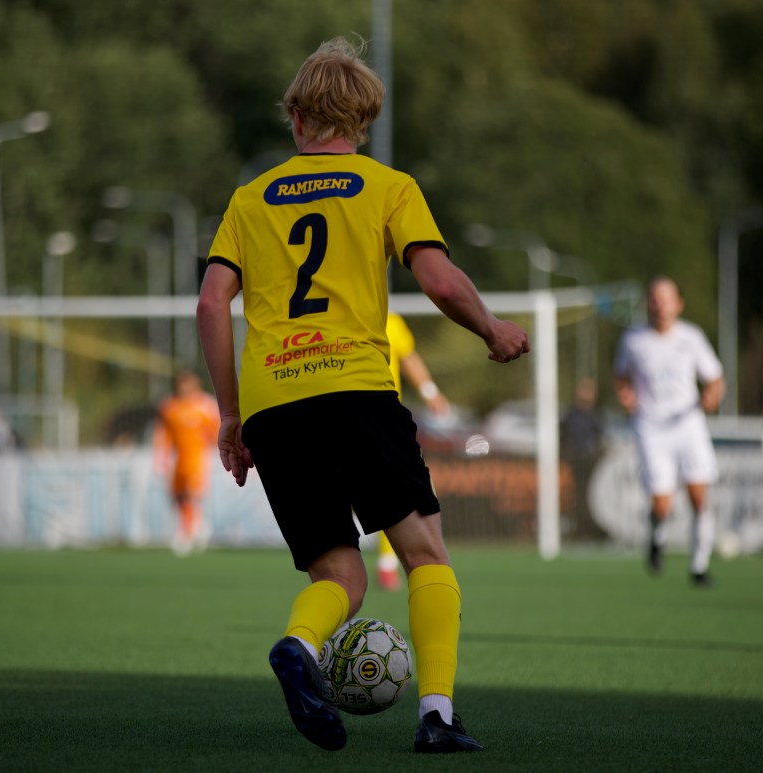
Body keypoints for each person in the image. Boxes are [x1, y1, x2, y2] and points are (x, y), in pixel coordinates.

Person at [196, 36, 530, 754]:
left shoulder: (250, 199)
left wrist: (230, 413)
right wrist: (492, 327)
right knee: (425, 556)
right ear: (364, 122)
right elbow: (439, 281)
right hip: (356, 390)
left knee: (340, 572)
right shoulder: (388, 187)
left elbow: (210, 302)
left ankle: (299, 642)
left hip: (275, 404)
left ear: (296, 120)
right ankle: (437, 716)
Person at [613, 275, 724, 586]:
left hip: (688, 424)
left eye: (666, 299)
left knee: (699, 496)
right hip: (651, 427)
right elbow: (620, 377)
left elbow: (715, 378)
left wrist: (712, 396)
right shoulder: (633, 339)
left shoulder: (692, 337)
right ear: (647, 304)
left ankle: (699, 566)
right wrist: (625, 395)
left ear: (678, 304)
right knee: (662, 503)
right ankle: (657, 536)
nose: (660, 306)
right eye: (655, 299)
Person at [376, 311, 452, 591]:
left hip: (384, 417)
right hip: (365, 416)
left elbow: (408, 357)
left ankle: (387, 564)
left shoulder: (391, 321)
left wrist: (430, 392)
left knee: (393, 491)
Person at [153, 370, 220, 555]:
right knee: (177, 495)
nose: (183, 387)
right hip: (179, 458)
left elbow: (216, 431)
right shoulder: (170, 406)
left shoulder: (206, 406)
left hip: (199, 457)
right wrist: (162, 457)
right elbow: (163, 434)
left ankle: (187, 533)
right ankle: (198, 526)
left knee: (191, 494)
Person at [559, 377, 605, 540]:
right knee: (577, 498)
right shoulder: (571, 415)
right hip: (576, 463)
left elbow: (599, 439)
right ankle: (580, 529)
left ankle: (593, 529)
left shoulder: (595, 416)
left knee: (594, 497)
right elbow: (563, 437)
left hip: (592, 464)